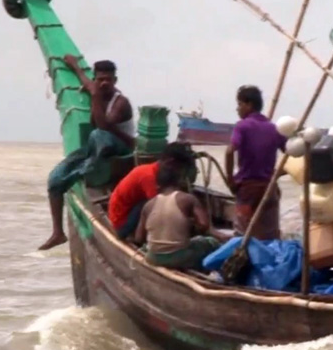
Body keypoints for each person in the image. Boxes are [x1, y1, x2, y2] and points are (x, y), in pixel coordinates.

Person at [39, 56, 135, 250]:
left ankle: (85, 170)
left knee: (99, 135)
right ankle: (58, 232)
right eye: (100, 79)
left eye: (108, 79)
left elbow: (103, 126)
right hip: (96, 148)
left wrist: (95, 96)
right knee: (55, 179)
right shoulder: (95, 88)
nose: (104, 83)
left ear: (115, 81)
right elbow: (84, 79)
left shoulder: (121, 102)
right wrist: (74, 65)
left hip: (118, 149)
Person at [134, 162, 229, 271]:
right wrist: (192, 225)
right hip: (180, 257)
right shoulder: (188, 199)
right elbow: (204, 225)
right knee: (210, 242)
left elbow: (138, 238)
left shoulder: (148, 205)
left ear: (158, 184)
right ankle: (215, 272)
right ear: (179, 181)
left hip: (153, 258)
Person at [224, 85, 287, 241]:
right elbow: (293, 154)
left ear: (249, 105)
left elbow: (229, 151)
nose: (237, 109)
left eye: (239, 104)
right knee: (270, 235)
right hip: (269, 189)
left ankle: (242, 262)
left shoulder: (242, 126)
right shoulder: (273, 128)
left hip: (248, 190)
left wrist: (230, 180)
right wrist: (277, 174)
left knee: (242, 236)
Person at [107, 143, 197, 241]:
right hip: (121, 224)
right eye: (180, 169)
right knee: (155, 204)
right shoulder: (149, 177)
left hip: (127, 211)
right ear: (170, 163)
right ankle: (136, 237)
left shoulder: (156, 172)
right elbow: (160, 210)